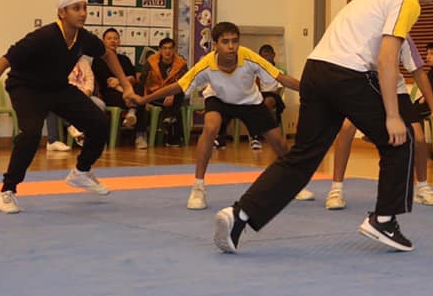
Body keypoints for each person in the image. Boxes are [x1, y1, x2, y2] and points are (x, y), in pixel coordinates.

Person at [212, 0, 433, 254]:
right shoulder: (407, 0)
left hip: (316, 71)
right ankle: (384, 220)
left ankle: (239, 215)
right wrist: (393, 115)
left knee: (302, 158)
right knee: (400, 138)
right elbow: (386, 59)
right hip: (346, 75)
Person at [0, 0, 134, 213]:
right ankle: (7, 190)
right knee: (31, 135)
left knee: (99, 122)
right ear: (62, 12)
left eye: (84, 8)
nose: (83, 13)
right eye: (76, 8)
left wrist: (126, 85)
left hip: (56, 88)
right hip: (26, 88)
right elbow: (3, 61)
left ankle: (81, 171)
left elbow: (107, 55)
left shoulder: (84, 38)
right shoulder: (43, 37)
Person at [128, 22, 305, 210]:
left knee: (280, 143)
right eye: (225, 42)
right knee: (211, 127)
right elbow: (178, 86)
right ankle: (198, 187)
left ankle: (294, 183)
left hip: (249, 101)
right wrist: (144, 99)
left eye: (235, 41)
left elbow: (281, 78)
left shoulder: (249, 57)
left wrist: (311, 89)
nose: (231, 46)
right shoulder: (206, 64)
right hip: (219, 99)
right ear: (215, 45)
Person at [325, 35, 433, 210]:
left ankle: (422, 187)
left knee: (419, 138)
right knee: (346, 128)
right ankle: (336, 188)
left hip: (396, 90)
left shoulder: (403, 36)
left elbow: (419, 73)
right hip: (366, 89)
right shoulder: (362, 33)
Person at [93, 28, 143, 148]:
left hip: (128, 91)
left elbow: (133, 78)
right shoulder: (98, 60)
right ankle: (132, 112)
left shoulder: (124, 59)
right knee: (137, 99)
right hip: (110, 94)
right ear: (103, 41)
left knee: (141, 94)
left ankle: (139, 135)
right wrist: (126, 89)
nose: (113, 41)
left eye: (115, 38)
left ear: (119, 41)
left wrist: (121, 81)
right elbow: (109, 82)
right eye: (109, 38)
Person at [138, 37, 188, 147]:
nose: (167, 51)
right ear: (160, 50)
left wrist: (172, 93)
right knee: (138, 90)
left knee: (180, 92)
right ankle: (169, 118)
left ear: (174, 50)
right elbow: (142, 82)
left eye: (170, 48)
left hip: (173, 97)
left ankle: (169, 118)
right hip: (154, 95)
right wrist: (145, 99)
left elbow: (186, 83)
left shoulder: (181, 64)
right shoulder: (151, 62)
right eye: (164, 48)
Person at [44, 55, 100, 151]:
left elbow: (90, 79)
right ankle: (56, 138)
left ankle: (92, 137)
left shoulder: (84, 62)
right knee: (55, 101)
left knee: (100, 104)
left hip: (85, 94)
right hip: (68, 94)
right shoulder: (59, 60)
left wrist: (87, 92)